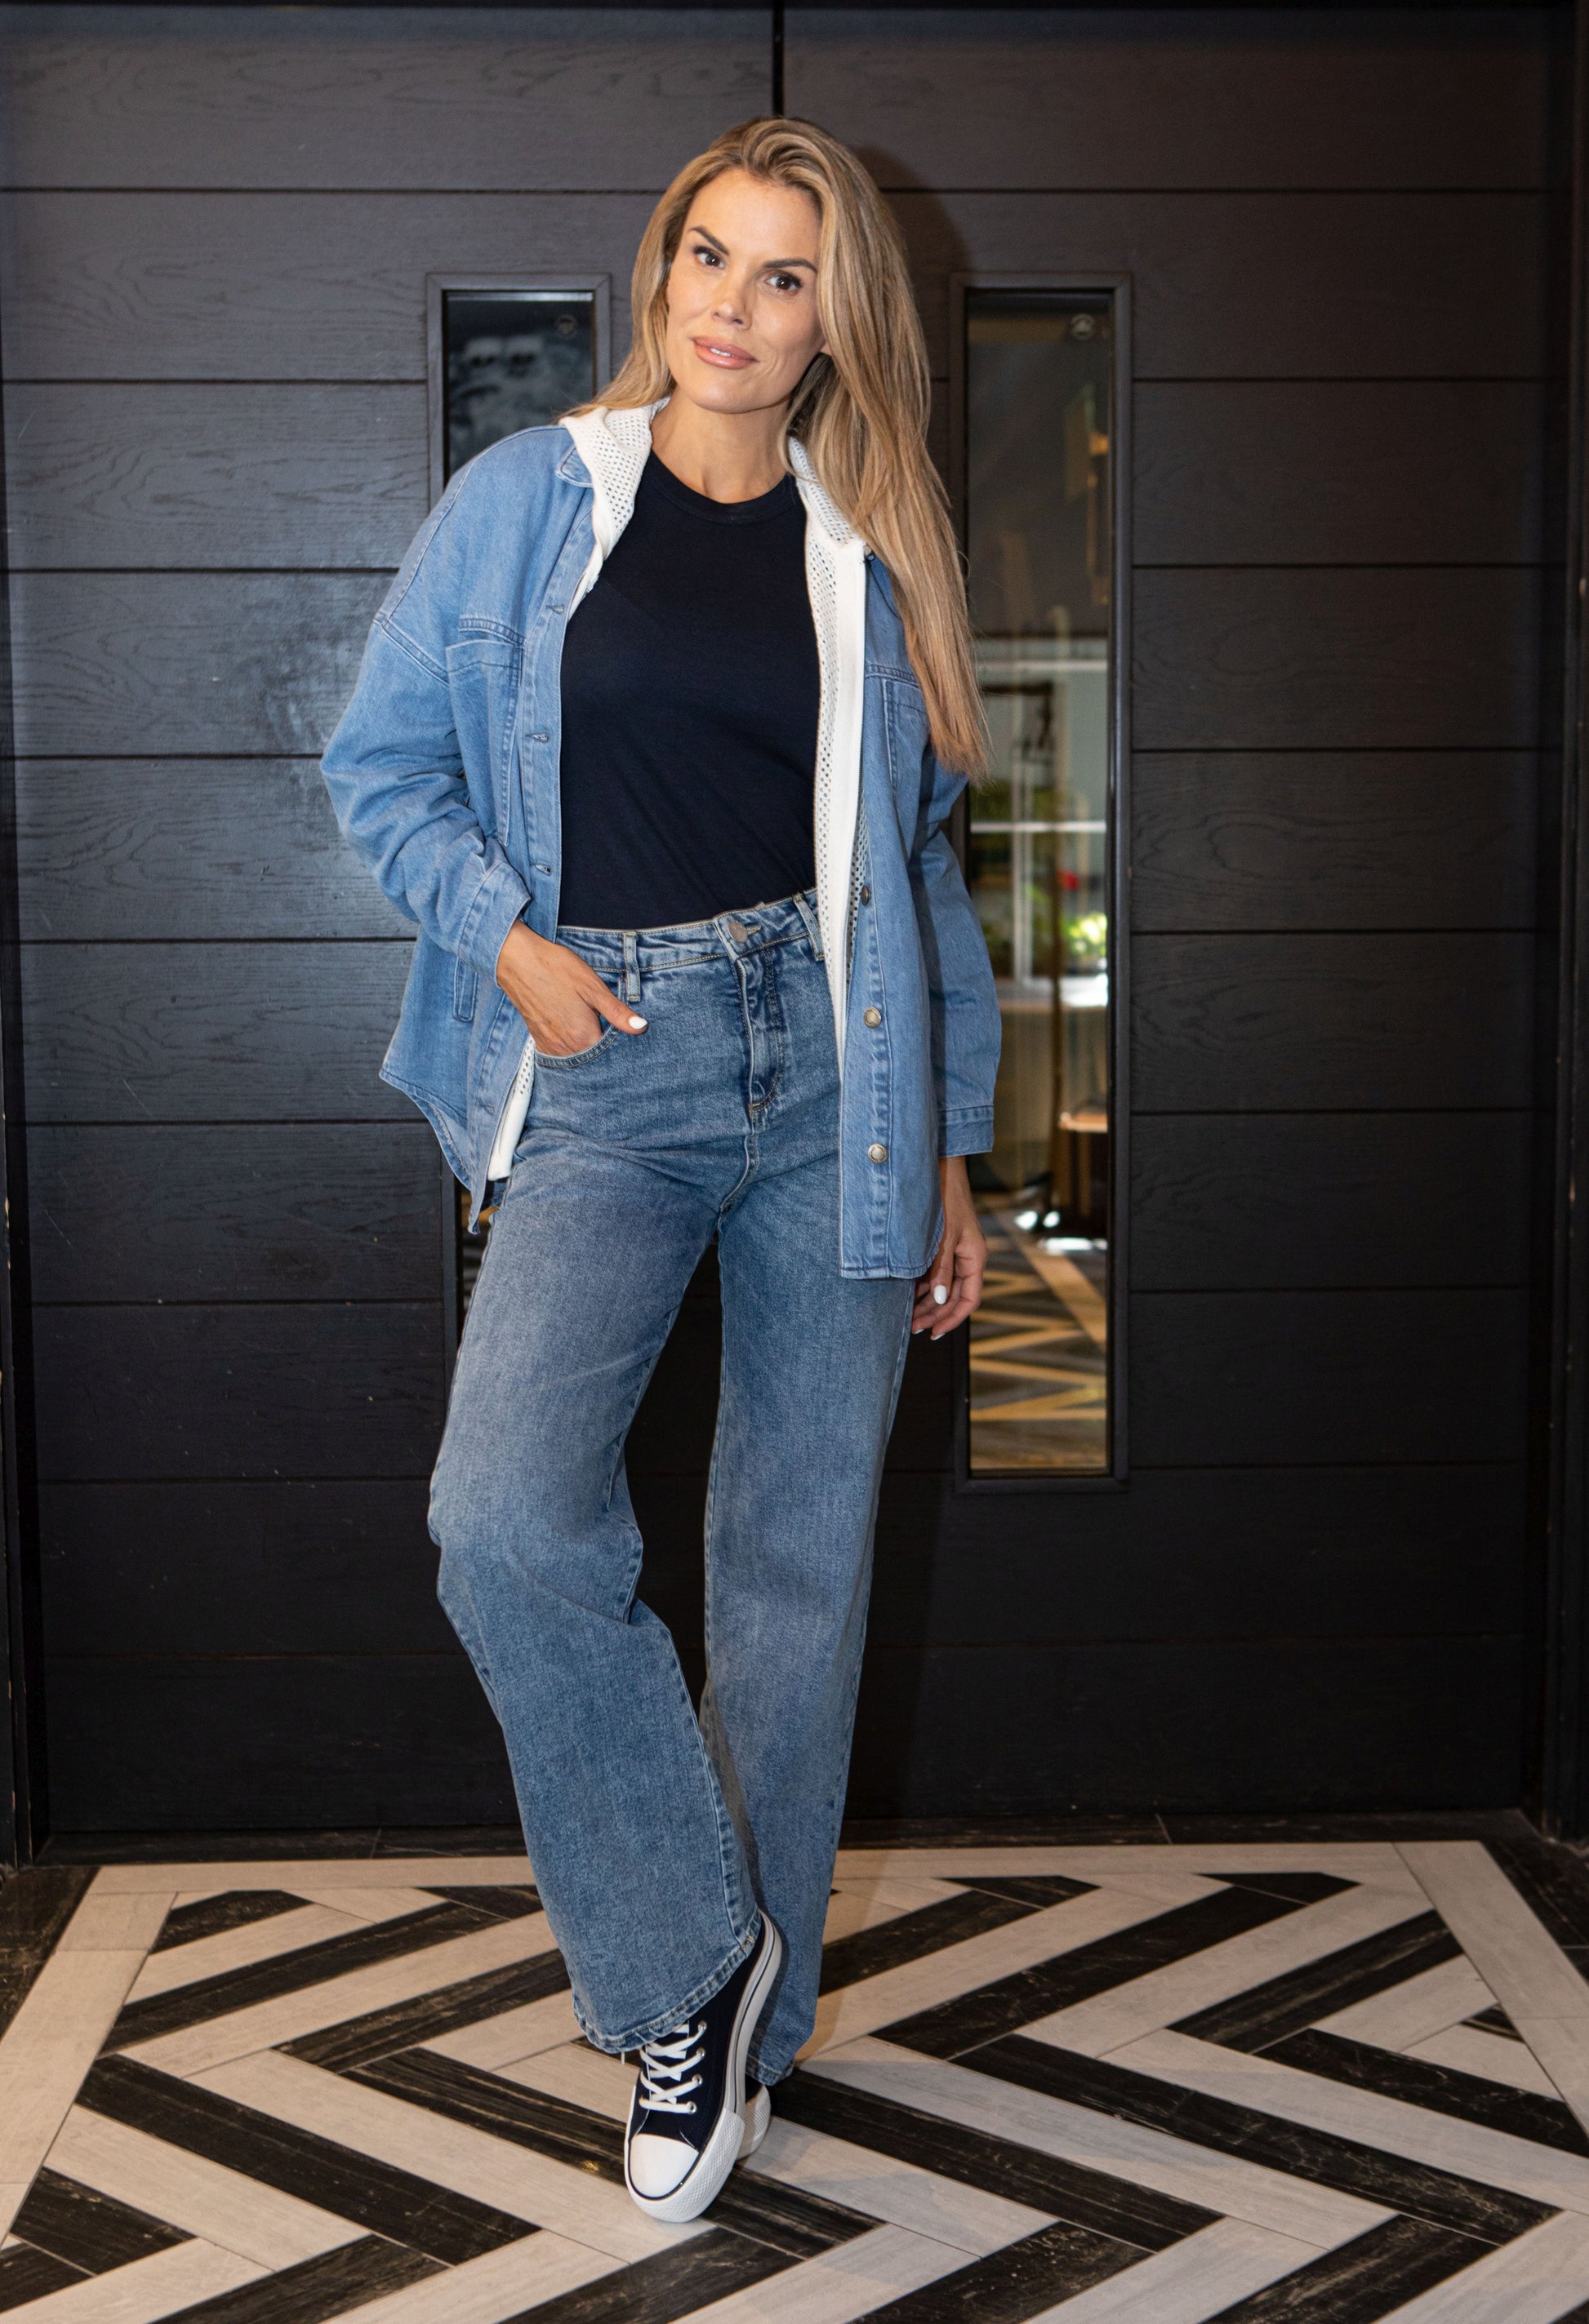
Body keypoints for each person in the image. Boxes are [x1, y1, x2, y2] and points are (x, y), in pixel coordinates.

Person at [322, 114, 1000, 2225]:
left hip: (840, 1071)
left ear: (832, 322)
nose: (734, 305)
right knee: (503, 1519)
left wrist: (951, 1151)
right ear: (662, 271)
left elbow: (921, 878)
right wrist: (504, 941)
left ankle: (741, 2056)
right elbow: (380, 766)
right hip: (608, 1056)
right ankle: (692, 1958)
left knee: (795, 1573)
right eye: (711, 255)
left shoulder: (869, 549)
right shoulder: (530, 502)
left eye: (786, 275)